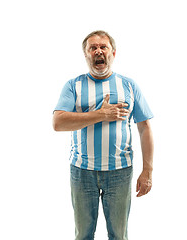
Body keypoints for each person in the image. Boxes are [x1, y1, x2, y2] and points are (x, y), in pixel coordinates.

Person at [53, 30, 154, 240]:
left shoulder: (129, 85)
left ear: (113, 53)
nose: (98, 51)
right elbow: (58, 122)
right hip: (82, 172)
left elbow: (144, 127)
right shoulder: (74, 85)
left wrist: (148, 171)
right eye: (93, 48)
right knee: (83, 235)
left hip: (120, 172)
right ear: (86, 55)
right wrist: (101, 114)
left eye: (103, 47)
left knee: (118, 235)